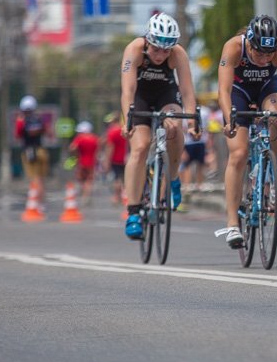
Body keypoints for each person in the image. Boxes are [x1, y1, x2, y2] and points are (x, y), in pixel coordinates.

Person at [216, 14, 277, 249]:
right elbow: (223, 91)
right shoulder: (234, 47)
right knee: (238, 153)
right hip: (238, 92)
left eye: (269, 54)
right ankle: (232, 223)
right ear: (250, 44)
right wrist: (229, 119)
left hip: (266, 88)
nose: (265, 59)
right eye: (259, 53)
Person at [119, 13, 200, 240]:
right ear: (147, 41)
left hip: (166, 94)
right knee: (140, 146)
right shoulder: (134, 49)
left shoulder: (178, 53)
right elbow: (128, 90)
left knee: (174, 127)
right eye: (156, 49)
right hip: (140, 96)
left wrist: (192, 121)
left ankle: (173, 178)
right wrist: (127, 119)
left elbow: (187, 91)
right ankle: (133, 212)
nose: (160, 55)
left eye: (166, 51)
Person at [15, 95, 49, 199]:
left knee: (34, 178)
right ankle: (41, 201)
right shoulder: (40, 119)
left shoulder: (21, 121)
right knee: (41, 179)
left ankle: (35, 202)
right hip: (41, 151)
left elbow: (18, 135)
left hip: (29, 151)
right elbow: (47, 132)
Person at [69, 120, 100, 204]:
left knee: (81, 179)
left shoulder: (80, 138)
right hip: (92, 162)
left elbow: (72, 148)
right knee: (89, 180)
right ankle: (86, 196)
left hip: (81, 162)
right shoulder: (95, 138)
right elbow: (98, 149)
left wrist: (75, 154)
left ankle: (84, 193)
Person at [102, 112, 128, 206]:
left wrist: (106, 161)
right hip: (126, 158)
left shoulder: (112, 132)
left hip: (115, 159)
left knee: (117, 178)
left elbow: (110, 147)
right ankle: (125, 196)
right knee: (125, 179)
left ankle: (117, 197)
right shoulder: (124, 130)